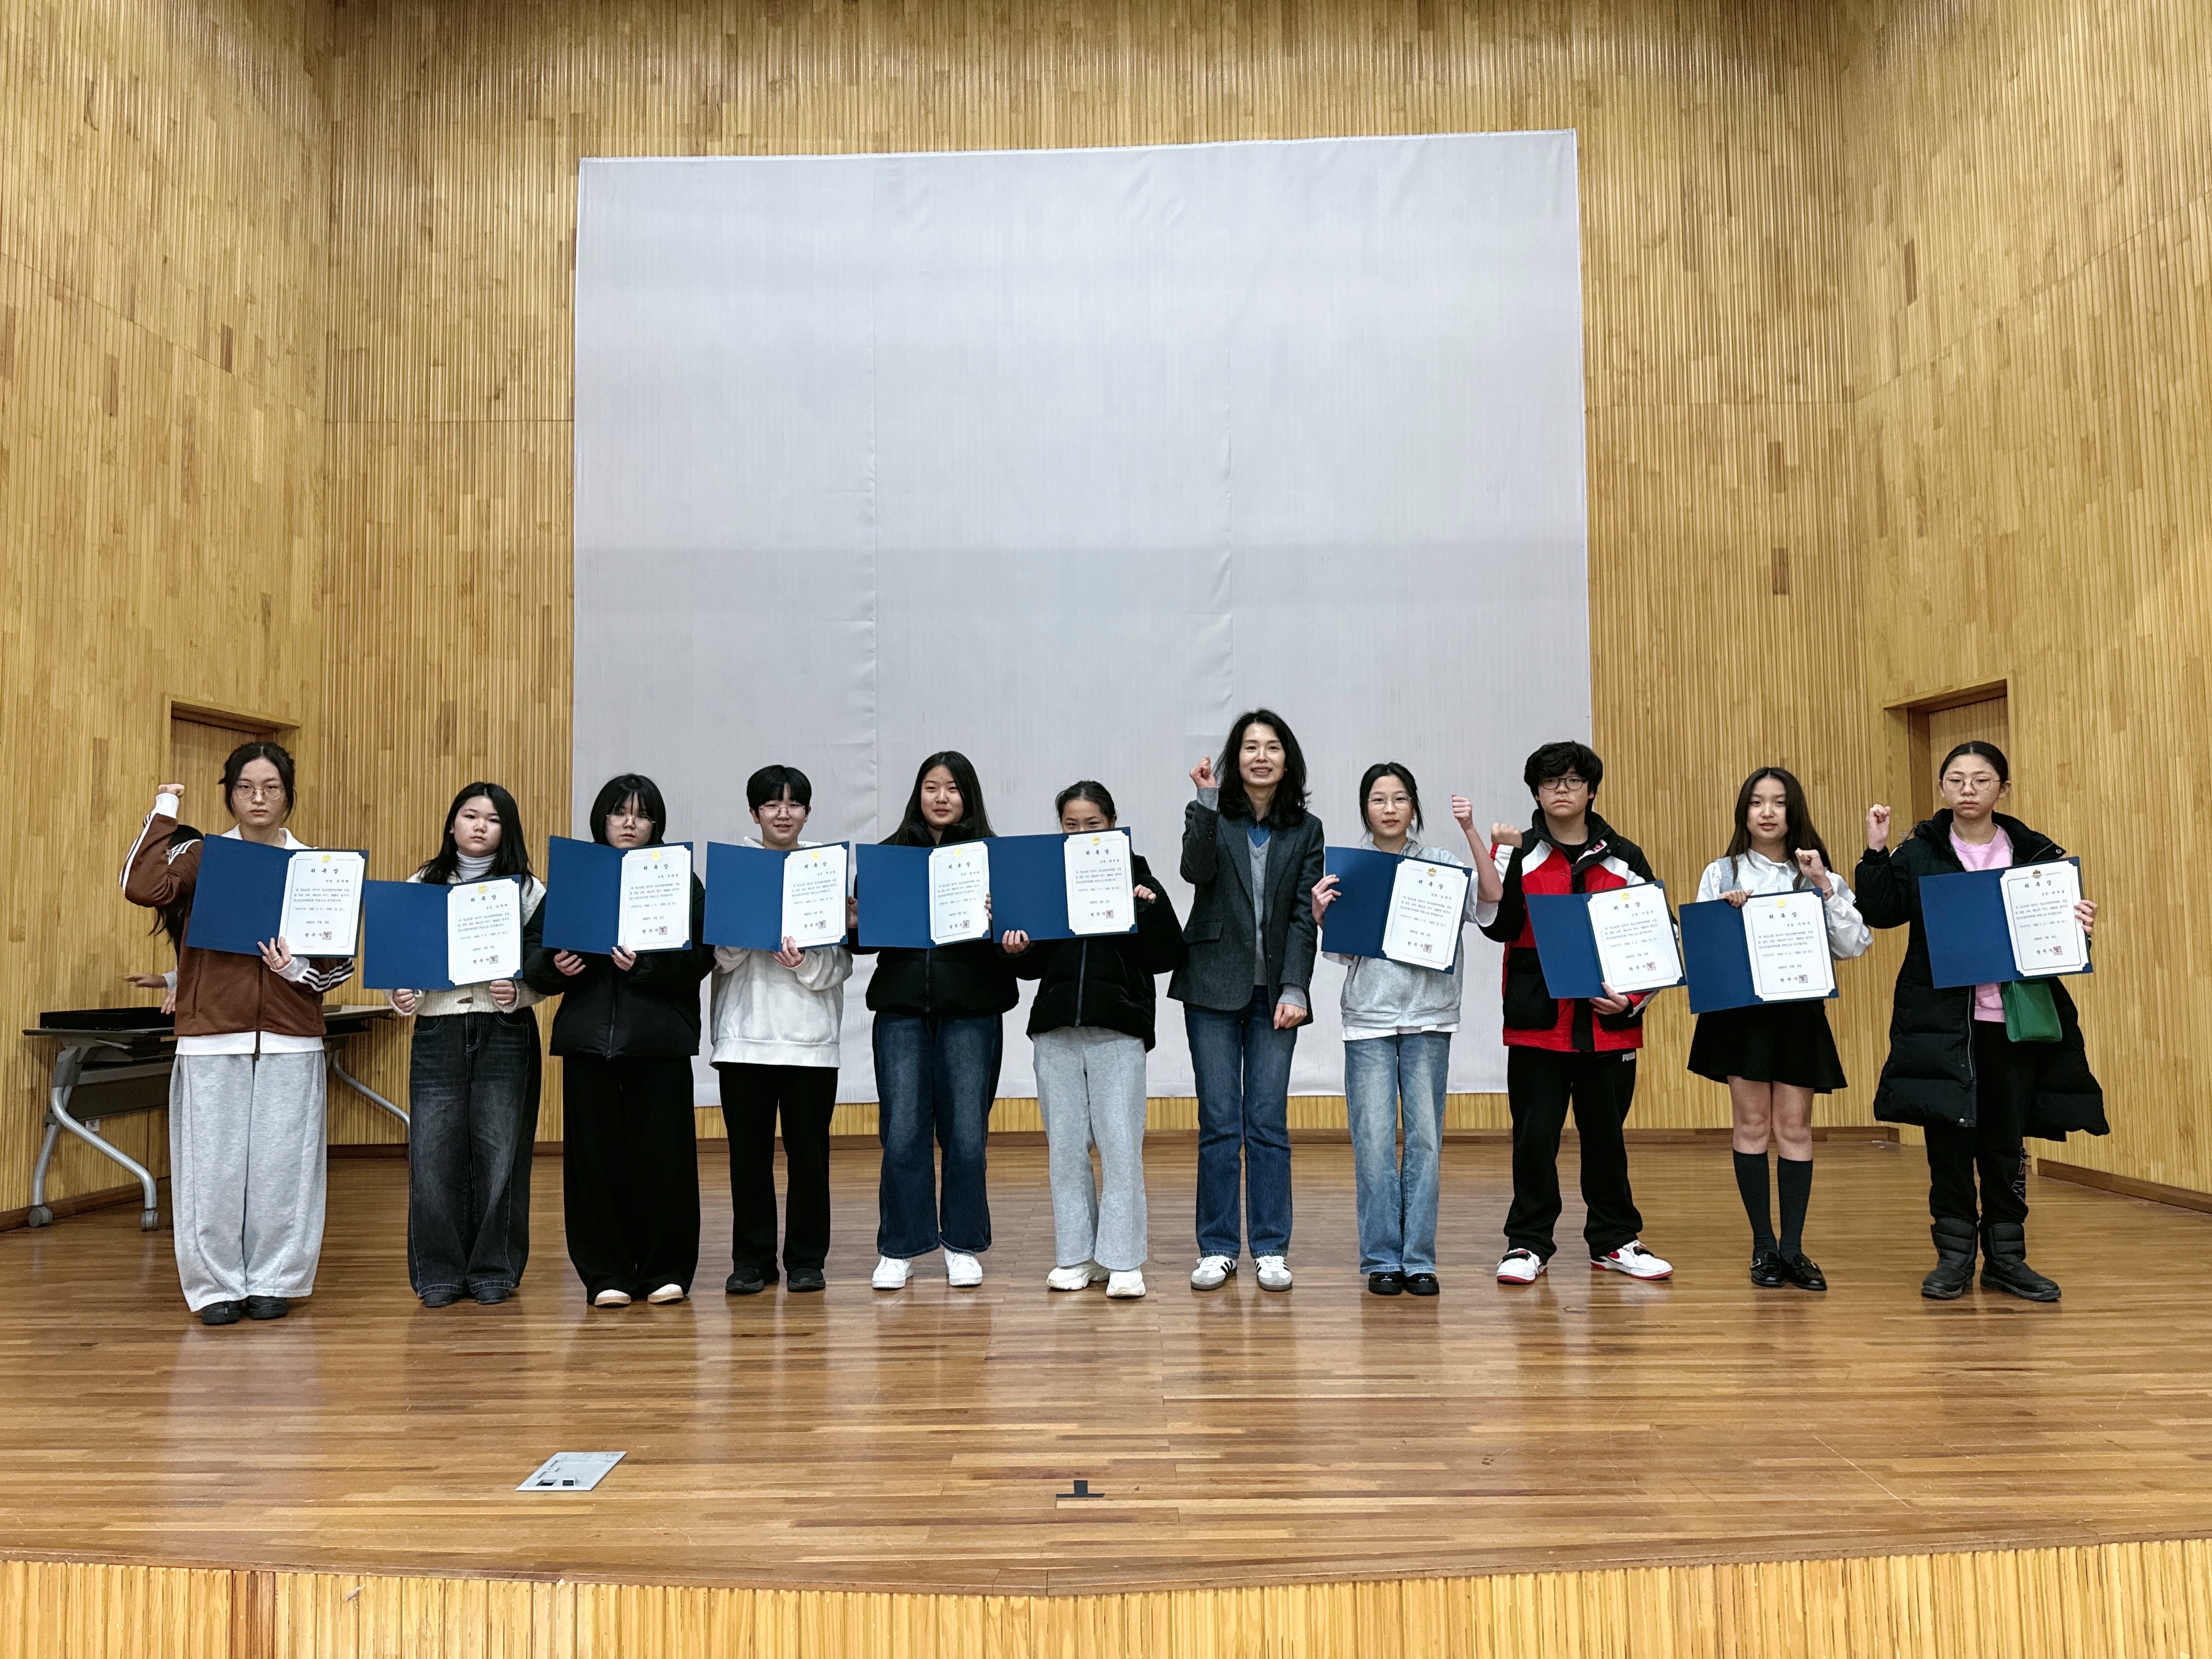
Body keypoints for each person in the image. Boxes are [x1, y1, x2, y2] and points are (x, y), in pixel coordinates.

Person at [1856, 741, 2103, 1301]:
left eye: (1982, 779)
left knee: (2005, 1143)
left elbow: (2060, 943)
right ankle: (1953, 1259)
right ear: (1943, 788)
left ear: (2003, 788)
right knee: (1948, 1143)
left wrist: (2079, 927)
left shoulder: (2036, 854)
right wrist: (1876, 852)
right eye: (1957, 779)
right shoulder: (1921, 850)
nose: (1968, 789)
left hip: (2011, 1024)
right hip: (1943, 1023)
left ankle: (2007, 1259)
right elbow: (1882, 912)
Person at [121, 744, 353, 1326]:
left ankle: (275, 1280)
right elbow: (142, 887)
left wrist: (295, 972)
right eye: (246, 787)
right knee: (211, 1169)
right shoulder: (204, 855)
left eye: (271, 787)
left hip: (291, 1036)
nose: (258, 798)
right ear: (229, 794)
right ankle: (215, 1287)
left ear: (288, 795)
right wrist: (165, 809)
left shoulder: (317, 866)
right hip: (211, 1037)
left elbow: (340, 964)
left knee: (284, 1168)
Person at [1480, 740, 1674, 1285]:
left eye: (1572, 781)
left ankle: (1614, 1240)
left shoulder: (1625, 856)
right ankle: (1527, 1243)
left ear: (1591, 791)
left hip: (1608, 1029)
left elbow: (1660, 936)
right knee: (1534, 1140)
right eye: (1550, 782)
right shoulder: (1518, 852)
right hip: (1537, 1027)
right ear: (1536, 794)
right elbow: (1495, 924)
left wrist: (1631, 1001)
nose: (1561, 790)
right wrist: (1500, 854)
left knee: (1606, 1140)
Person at [522, 773, 712, 1309]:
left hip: (660, 1039)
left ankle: (666, 1269)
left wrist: (646, 968)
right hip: (588, 1040)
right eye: (619, 812)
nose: (630, 823)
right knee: (594, 1162)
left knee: (665, 1157)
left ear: (657, 824)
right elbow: (533, 950)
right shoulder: (576, 876)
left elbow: (702, 957)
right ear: (601, 819)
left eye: (642, 814)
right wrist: (554, 966)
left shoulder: (679, 878)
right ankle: (604, 1272)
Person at [1310, 764, 1500, 1296]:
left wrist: (1470, 830)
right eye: (1378, 799)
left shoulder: (1440, 864)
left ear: (1414, 807)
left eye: (1399, 798)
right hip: (1368, 1021)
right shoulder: (1350, 871)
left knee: (1425, 1142)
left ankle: (1418, 1259)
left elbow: (1491, 901)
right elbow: (1344, 952)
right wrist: (1322, 916)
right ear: (1365, 809)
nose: (1390, 808)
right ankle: (1381, 1260)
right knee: (1373, 1144)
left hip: (1429, 1018)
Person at [1002, 781, 1188, 1300]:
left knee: (1120, 1146)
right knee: (1065, 1149)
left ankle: (1123, 1261)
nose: (1082, 832)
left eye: (1093, 824)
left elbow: (1168, 955)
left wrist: (1148, 910)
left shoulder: (1139, 877)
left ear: (1112, 823)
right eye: (1071, 825)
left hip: (1118, 1030)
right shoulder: (1045, 882)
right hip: (1055, 1029)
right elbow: (1032, 965)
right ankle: (1077, 1256)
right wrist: (1016, 948)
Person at [1689, 768, 1871, 1291]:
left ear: (1795, 811)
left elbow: (1854, 945)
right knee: (1750, 1126)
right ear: (1743, 811)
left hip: (1797, 1013)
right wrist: (1724, 914)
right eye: (1756, 802)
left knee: (1795, 1128)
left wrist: (1823, 886)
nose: (1767, 812)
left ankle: (1793, 1249)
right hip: (1741, 1015)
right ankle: (1763, 1247)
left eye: (1779, 802)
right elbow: (1702, 949)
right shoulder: (1721, 872)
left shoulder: (1817, 871)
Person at [1170, 709, 1324, 1293]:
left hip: (1275, 994)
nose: (1262, 757)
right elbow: (1195, 870)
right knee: (1218, 1122)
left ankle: (1270, 1247)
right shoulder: (1211, 813)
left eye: (1273, 747)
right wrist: (1206, 803)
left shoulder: (1306, 829)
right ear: (1235, 759)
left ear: (1288, 760)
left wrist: (1296, 986)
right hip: (1211, 984)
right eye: (1251, 747)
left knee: (1267, 1122)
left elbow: (1304, 917)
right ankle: (1216, 1247)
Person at [862, 752, 1019, 1291]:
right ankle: (900, 1247)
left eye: (952, 788)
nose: (942, 797)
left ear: (967, 796)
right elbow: (865, 941)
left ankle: (962, 1244)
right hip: (902, 1012)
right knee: (902, 1132)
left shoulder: (994, 859)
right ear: (918, 793)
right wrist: (855, 921)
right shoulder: (888, 857)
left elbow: (1018, 945)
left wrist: (1009, 933)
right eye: (932, 787)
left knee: (967, 1134)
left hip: (971, 1012)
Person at [385, 783, 547, 1308]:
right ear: (452, 823)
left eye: (493, 819)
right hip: (439, 1028)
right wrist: (402, 993)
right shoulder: (422, 885)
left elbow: (547, 965)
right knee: (433, 1153)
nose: (480, 826)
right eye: (470, 815)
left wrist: (520, 992)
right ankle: (438, 1272)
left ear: (507, 830)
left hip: (505, 1029)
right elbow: (401, 960)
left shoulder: (528, 891)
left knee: (502, 1152)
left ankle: (495, 1268)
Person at [709, 765, 854, 1297]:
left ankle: (807, 1260)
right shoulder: (735, 871)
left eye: (794, 804)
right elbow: (717, 958)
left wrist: (803, 962)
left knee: (809, 1158)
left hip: (810, 1042)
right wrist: (745, 933)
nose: (783, 813)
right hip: (743, 1038)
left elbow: (840, 964)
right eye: (772, 804)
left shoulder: (825, 871)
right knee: (748, 1158)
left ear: (808, 813)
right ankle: (752, 1260)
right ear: (754, 814)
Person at [124, 821, 204, 1015]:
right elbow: (195, 963)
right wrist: (165, 980)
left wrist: (189, 987)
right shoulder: (180, 906)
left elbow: (226, 964)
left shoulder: (208, 896)